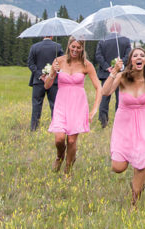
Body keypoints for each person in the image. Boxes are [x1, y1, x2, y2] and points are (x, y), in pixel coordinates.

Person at [102, 47, 145, 208]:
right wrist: (114, 72)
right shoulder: (122, 76)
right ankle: (135, 179)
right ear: (131, 61)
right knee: (118, 167)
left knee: (140, 164)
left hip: (143, 123)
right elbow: (105, 92)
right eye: (135, 56)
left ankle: (135, 201)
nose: (139, 58)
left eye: (142, 55)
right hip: (123, 125)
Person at [44, 36, 102, 174]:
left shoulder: (87, 65)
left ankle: (68, 169)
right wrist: (52, 71)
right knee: (59, 139)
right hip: (61, 103)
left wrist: (94, 109)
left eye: (78, 47)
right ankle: (60, 156)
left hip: (78, 105)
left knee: (71, 141)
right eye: (73, 46)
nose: (75, 50)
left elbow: (98, 87)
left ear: (82, 48)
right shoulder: (59, 61)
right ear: (68, 46)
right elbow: (47, 85)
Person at [94, 25, 132, 128]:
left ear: (110, 29)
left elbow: (98, 56)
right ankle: (119, 121)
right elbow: (128, 55)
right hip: (121, 73)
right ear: (119, 30)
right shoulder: (125, 40)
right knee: (120, 98)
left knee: (104, 98)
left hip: (106, 74)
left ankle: (103, 121)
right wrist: (120, 65)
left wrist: (107, 67)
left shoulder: (103, 41)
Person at [27, 35, 63, 131]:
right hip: (54, 81)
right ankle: (56, 128)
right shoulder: (58, 47)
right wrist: (51, 75)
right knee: (54, 105)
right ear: (52, 35)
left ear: (43, 35)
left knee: (36, 105)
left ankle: (34, 128)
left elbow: (30, 64)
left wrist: (41, 75)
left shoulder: (34, 47)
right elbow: (62, 63)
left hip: (38, 82)